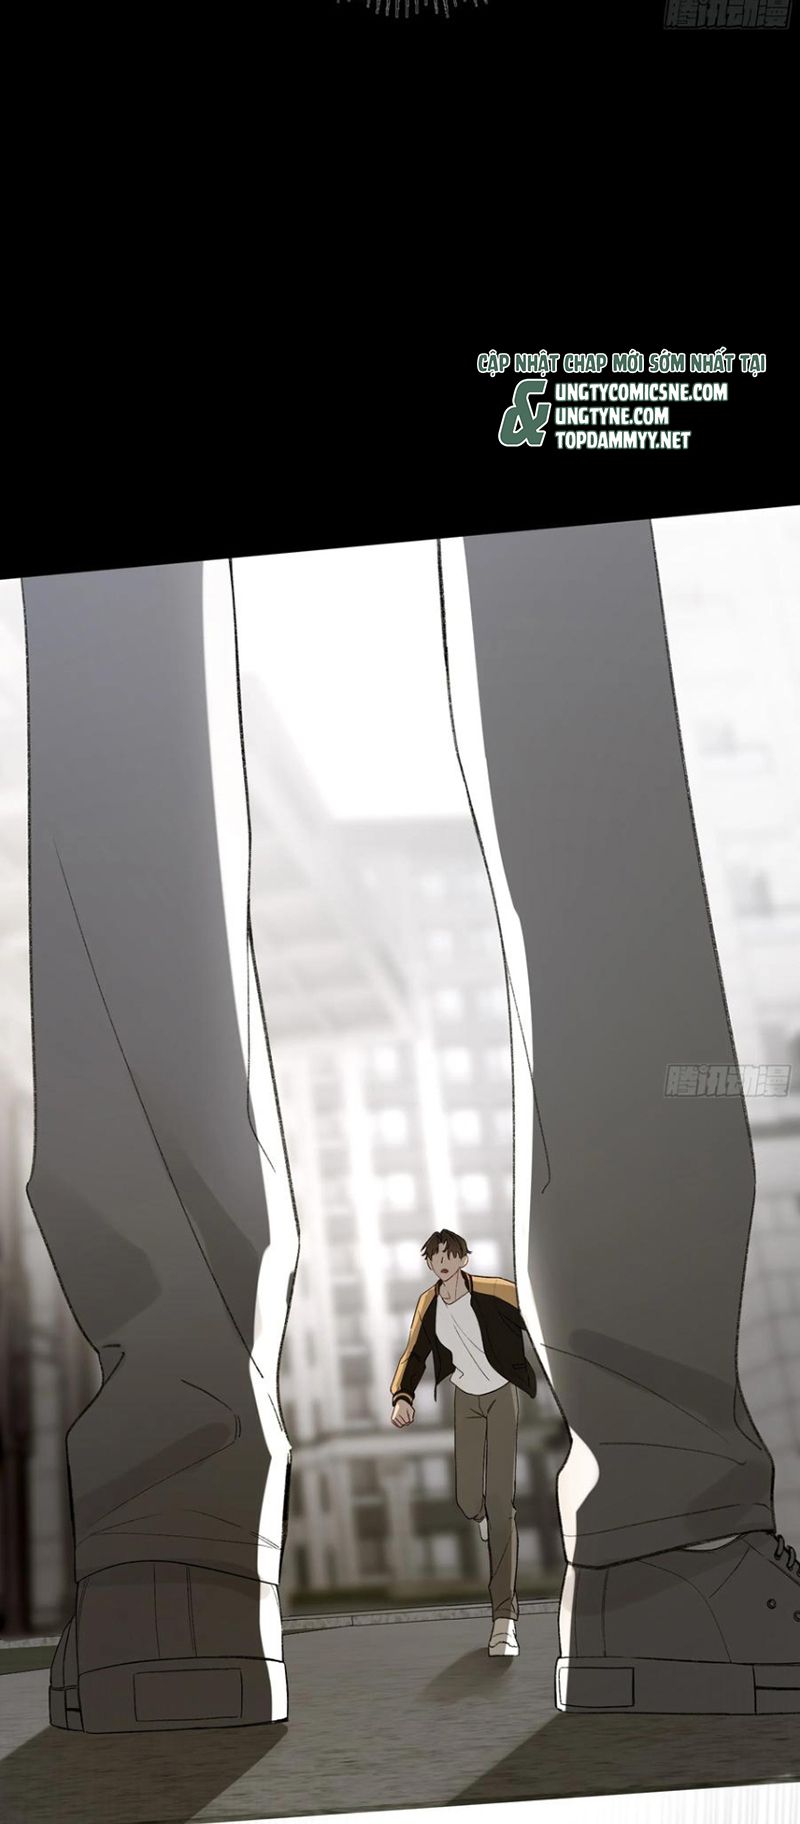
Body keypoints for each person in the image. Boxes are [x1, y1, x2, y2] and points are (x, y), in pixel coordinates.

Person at [390, 1229, 537, 1656]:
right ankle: (482, 1514)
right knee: (468, 1498)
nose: (443, 1262)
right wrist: (403, 1396)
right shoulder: (428, 1303)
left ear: (463, 1258)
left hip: (501, 1395)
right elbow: (414, 1352)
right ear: (429, 1263)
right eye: (435, 1257)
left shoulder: (495, 1291)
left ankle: (504, 1621)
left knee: (501, 1502)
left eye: (450, 1255)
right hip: (465, 1399)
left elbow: (538, 1316)